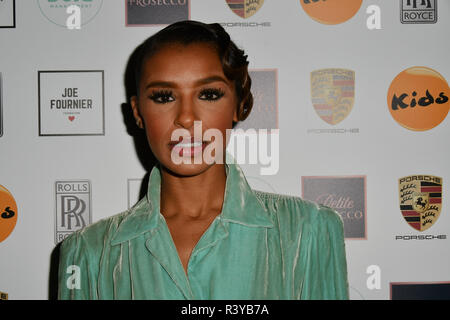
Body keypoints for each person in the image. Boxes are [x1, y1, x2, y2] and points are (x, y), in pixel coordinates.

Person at [58, 20, 348, 300]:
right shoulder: (88, 253)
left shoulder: (308, 232)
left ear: (239, 104)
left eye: (208, 94)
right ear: (137, 112)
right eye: (163, 97)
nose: (186, 118)